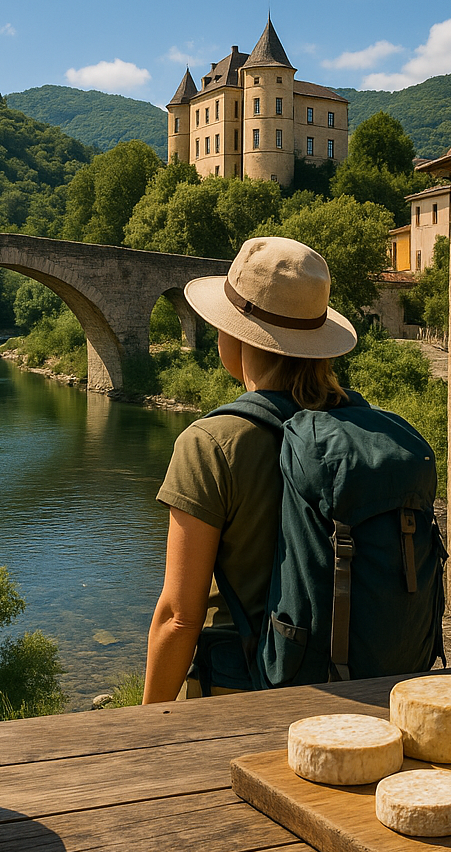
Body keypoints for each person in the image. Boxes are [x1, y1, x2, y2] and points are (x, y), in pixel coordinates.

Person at [142, 236, 359, 704]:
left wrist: (144, 728)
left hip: (240, 694)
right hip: (361, 688)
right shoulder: (363, 432)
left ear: (237, 336)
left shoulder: (210, 444)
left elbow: (179, 618)